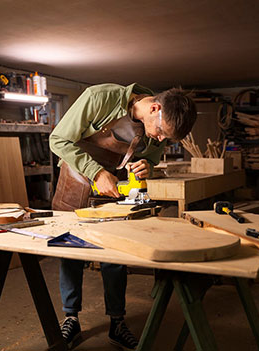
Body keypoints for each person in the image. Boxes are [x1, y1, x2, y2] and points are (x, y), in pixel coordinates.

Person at [49, 83, 197, 350]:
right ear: (155, 108)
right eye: (161, 132)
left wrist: (147, 166)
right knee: (70, 249)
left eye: (166, 138)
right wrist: (95, 172)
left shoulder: (157, 126)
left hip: (112, 185)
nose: (160, 140)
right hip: (76, 177)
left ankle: (117, 321)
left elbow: (152, 156)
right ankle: (70, 317)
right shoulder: (99, 98)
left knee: (115, 252)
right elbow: (57, 140)